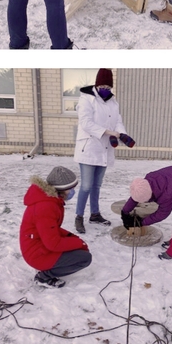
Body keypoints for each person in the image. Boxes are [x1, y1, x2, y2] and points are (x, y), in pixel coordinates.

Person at [72, 68, 136, 234]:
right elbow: (86, 123)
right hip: (89, 148)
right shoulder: (86, 99)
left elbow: (117, 122)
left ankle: (95, 214)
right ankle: (79, 217)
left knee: (97, 186)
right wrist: (109, 133)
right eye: (102, 84)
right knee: (86, 186)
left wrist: (122, 134)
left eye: (108, 85)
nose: (105, 88)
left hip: (104, 149)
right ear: (96, 83)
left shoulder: (113, 103)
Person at [20, 166, 91, 288]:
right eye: (71, 189)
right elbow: (53, 243)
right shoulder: (46, 207)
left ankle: (48, 268)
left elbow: (51, 229)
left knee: (78, 251)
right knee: (84, 258)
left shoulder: (50, 200)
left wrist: (71, 237)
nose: (73, 191)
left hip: (39, 244)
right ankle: (44, 276)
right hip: (36, 253)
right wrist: (79, 243)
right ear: (62, 189)